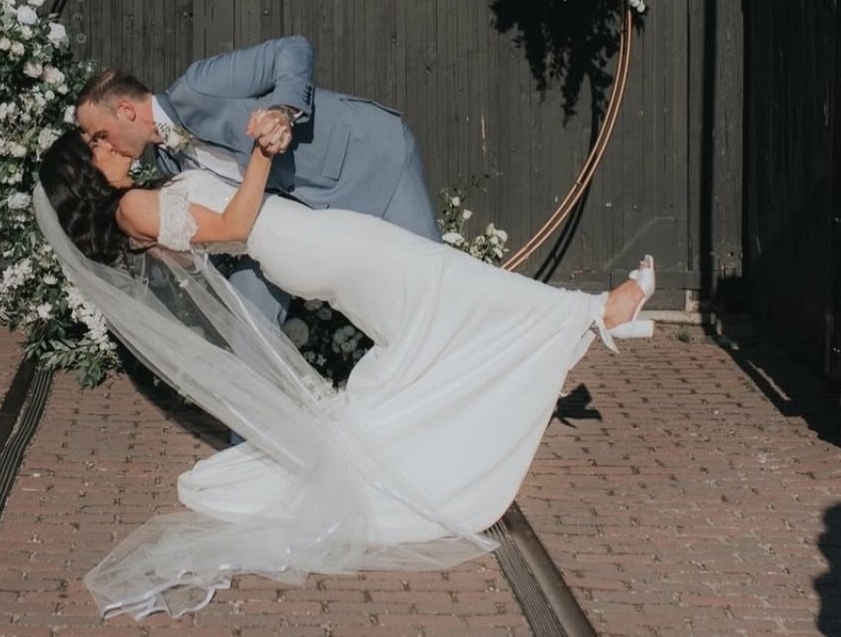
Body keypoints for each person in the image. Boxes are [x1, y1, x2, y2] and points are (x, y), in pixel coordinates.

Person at [36, 125, 655, 620]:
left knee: (429, 314)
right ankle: (597, 312)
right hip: (299, 244)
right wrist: (259, 153)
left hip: (306, 243)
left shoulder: (139, 200)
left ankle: (569, 330)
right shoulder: (135, 207)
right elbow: (232, 226)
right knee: (443, 282)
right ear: (82, 173)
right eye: (93, 147)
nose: (107, 146)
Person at [74, 36, 440, 331]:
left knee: (431, 292)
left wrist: (282, 113)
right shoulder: (167, 162)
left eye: (100, 135)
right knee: (249, 322)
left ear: (126, 111)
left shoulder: (198, 86)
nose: (102, 147)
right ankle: (255, 424)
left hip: (371, 160)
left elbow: (292, 48)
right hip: (292, 224)